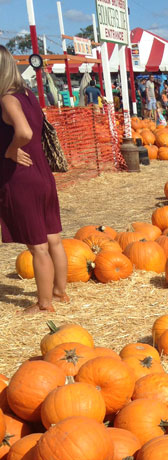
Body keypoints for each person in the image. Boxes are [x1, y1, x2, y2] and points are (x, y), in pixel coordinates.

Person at [0, 45, 69, 313]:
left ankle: (44, 303)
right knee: (53, 239)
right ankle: (60, 292)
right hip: (43, 173)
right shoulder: (27, 94)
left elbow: (25, 132)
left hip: (22, 178)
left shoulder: (7, 99)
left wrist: (11, 149)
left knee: (37, 246)